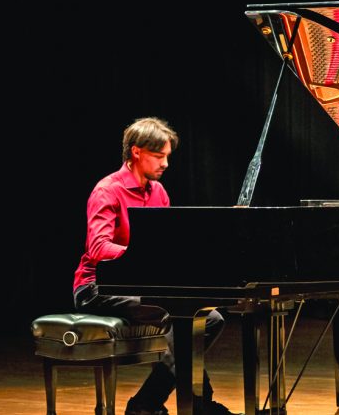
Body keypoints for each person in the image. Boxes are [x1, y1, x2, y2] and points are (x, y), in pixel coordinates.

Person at [72, 117, 237, 415]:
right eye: (159, 156)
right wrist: (140, 257)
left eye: (167, 157)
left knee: (210, 317)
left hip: (140, 285)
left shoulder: (158, 193)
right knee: (176, 313)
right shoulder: (107, 191)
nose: (166, 164)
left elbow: (165, 248)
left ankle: (146, 403)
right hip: (96, 286)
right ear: (136, 152)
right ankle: (200, 403)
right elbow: (98, 249)